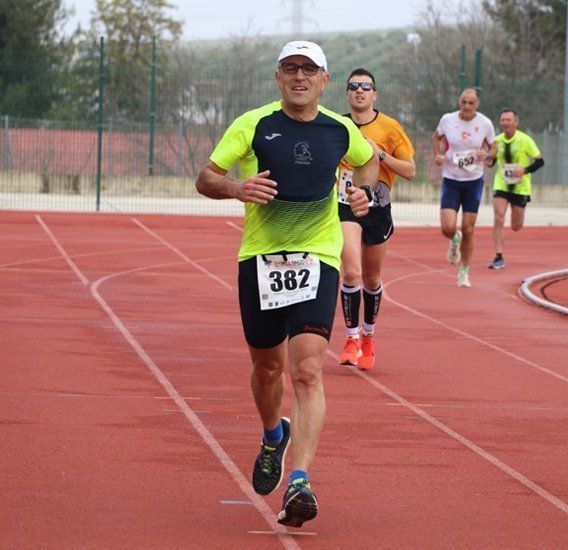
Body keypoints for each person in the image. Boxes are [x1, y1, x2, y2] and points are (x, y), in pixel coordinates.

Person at [195, 41, 377, 528]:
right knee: (267, 369)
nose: (300, 77)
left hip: (318, 256)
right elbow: (206, 177)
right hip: (259, 260)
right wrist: (237, 187)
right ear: (279, 78)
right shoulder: (253, 124)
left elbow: (369, 161)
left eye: (309, 70)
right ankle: (274, 433)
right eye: (291, 69)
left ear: (324, 79)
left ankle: (300, 481)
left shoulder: (340, 130)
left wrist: (359, 192)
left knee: (308, 370)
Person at [336, 68, 416, 370]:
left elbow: (410, 170)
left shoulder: (389, 127)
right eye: (353, 87)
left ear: (374, 94)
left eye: (365, 87)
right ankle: (351, 337)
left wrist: (380, 156)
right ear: (347, 93)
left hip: (378, 208)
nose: (359, 91)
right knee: (351, 272)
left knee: (371, 278)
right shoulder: (338, 125)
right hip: (345, 206)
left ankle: (368, 336)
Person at [432, 88, 496, 287]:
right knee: (447, 227)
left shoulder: (485, 123)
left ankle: (464, 272)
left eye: (471, 103)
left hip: (473, 181)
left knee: (469, 229)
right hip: (451, 179)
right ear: (459, 102)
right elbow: (437, 137)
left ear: (477, 104)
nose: (467, 106)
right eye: (464, 102)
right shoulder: (448, 120)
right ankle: (454, 238)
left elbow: (494, 148)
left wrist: (486, 156)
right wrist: (438, 154)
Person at [487, 108, 544, 270]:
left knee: (516, 226)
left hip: (520, 187)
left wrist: (524, 170)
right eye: (503, 120)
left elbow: (540, 161)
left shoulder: (525, 140)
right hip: (502, 184)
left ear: (515, 122)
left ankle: (517, 220)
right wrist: (487, 160)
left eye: (508, 120)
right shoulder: (496, 141)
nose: (505, 123)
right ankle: (498, 256)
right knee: (499, 217)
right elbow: (491, 162)